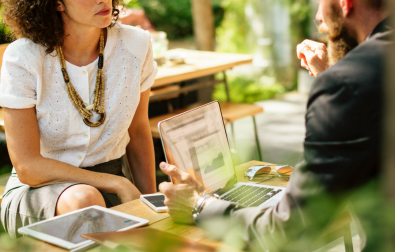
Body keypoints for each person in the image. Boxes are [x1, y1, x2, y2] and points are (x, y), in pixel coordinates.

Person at [158, 0, 392, 250]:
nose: (317, 15)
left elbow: (287, 229)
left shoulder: (347, 83)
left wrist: (200, 205)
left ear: (345, 4)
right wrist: (332, 77)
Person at [0, 0, 157, 238]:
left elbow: (139, 132)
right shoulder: (23, 56)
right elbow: (27, 167)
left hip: (114, 186)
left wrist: (151, 207)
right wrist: (116, 183)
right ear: (57, 4)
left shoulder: (137, 44)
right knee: (86, 201)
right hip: (40, 190)